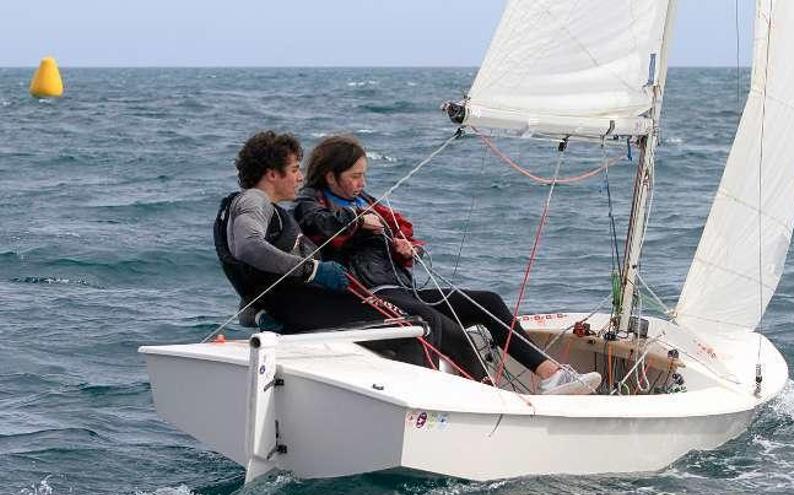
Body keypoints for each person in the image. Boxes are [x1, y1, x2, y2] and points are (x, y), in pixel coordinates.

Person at [292, 135, 602, 395]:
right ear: (331, 176)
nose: (362, 182)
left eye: (364, 174)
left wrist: (406, 248)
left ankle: (550, 374)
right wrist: (358, 222)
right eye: (354, 176)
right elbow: (316, 225)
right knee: (440, 323)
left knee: (487, 301)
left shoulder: (367, 200)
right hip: (365, 293)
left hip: (399, 288)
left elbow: (400, 232)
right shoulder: (312, 201)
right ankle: (486, 391)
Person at [213, 129, 422, 364]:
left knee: (407, 321)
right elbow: (249, 248)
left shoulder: (260, 209)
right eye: (294, 170)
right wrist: (313, 270)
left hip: (295, 306)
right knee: (411, 326)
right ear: (272, 174)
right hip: (299, 306)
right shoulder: (254, 200)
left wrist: (258, 313)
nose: (301, 178)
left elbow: (248, 276)